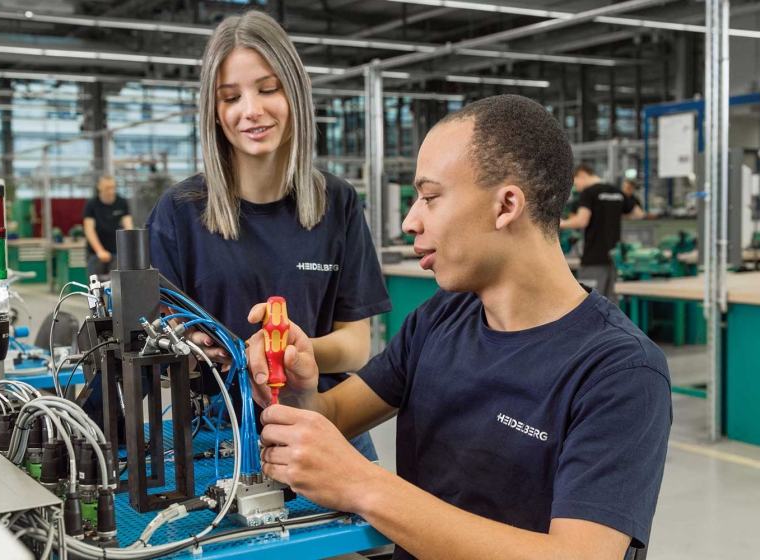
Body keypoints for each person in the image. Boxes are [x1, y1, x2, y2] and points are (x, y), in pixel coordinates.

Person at [247, 95, 671, 560]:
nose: (411, 220)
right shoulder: (442, 316)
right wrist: (298, 387)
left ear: (505, 205)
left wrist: (364, 485)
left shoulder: (620, 371)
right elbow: (333, 416)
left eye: (429, 197)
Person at [144, 10, 390, 461]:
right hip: (216, 433)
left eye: (268, 89)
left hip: (321, 421)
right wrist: (209, 351)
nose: (251, 110)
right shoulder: (178, 213)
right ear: (215, 113)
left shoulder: (337, 202)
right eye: (230, 97)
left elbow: (356, 347)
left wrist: (282, 355)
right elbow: (158, 347)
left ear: (296, 92)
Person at [560, 164, 644, 302]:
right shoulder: (615, 191)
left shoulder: (589, 193)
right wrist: (613, 213)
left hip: (594, 258)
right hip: (614, 259)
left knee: (587, 304)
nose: (576, 187)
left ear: (582, 175)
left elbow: (582, 221)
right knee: (610, 305)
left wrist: (560, 223)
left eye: (575, 182)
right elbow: (638, 214)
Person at [83, 175, 132, 279]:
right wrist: (100, 251)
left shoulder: (122, 203)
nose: (110, 191)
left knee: (116, 285)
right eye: (107, 188)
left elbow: (128, 227)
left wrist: (129, 248)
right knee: (96, 286)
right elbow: (89, 229)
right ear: (99, 187)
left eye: (112, 188)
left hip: (116, 252)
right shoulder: (92, 204)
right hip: (95, 253)